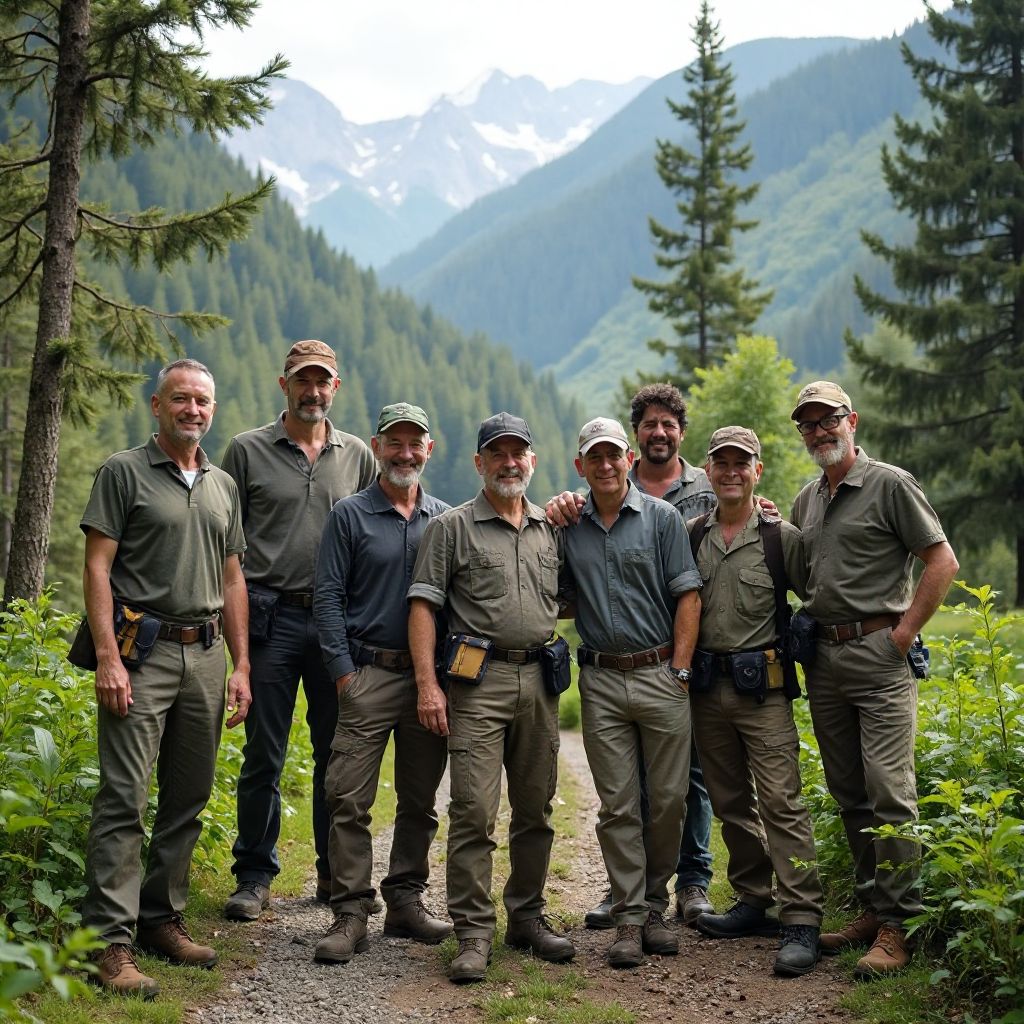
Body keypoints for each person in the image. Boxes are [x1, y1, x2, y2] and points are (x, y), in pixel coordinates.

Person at [80, 359, 250, 998]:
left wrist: (242, 665)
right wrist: (107, 657)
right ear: (158, 405)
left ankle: (161, 918)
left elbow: (232, 577)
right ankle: (109, 943)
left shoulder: (222, 484)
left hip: (205, 654)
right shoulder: (123, 472)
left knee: (188, 795)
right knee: (124, 797)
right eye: (180, 399)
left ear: (213, 408)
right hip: (140, 653)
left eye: (202, 400)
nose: (192, 409)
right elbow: (98, 567)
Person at [789, 381, 958, 978]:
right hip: (825, 661)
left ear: (852, 420)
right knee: (850, 793)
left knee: (889, 791)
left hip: (880, 657)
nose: (819, 431)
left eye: (828, 419)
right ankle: (872, 908)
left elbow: (941, 560)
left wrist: (903, 635)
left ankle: (900, 925)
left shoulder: (891, 484)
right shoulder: (807, 500)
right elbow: (802, 574)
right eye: (808, 424)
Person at [408, 412, 575, 984]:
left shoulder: (551, 529)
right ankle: (473, 933)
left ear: (533, 460)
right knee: (474, 811)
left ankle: (526, 918)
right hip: (476, 684)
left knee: (536, 809)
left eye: (518, 452)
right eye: (497, 453)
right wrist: (427, 685)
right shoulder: (452, 527)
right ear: (479, 462)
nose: (509, 462)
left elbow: (571, 596)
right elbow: (423, 605)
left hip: (540, 683)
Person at [552, 384, 717, 928]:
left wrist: (680, 670)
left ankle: (668, 891)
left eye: (612, 455)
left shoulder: (669, 512)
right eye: (594, 456)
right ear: (580, 465)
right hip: (601, 677)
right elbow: (555, 589)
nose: (605, 465)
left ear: (628, 458)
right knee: (619, 803)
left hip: (663, 671)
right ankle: (631, 909)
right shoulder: (568, 525)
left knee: (672, 797)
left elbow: (688, 592)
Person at [221, 340, 375, 921]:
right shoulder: (246, 450)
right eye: (302, 380)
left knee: (337, 753)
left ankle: (334, 873)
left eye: (322, 381)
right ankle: (254, 875)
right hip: (269, 617)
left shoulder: (357, 455)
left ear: (336, 387)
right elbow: (226, 544)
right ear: (283, 384)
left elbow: (374, 531)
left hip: (337, 622)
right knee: (265, 751)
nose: (313, 391)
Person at [311, 403, 452, 964]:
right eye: (395, 442)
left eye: (415, 443)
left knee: (420, 799)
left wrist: (440, 679)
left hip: (426, 682)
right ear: (376, 447)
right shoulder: (349, 515)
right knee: (348, 797)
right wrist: (344, 673)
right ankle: (350, 911)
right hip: (367, 673)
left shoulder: (445, 519)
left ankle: (406, 901)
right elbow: (327, 597)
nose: (405, 453)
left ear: (429, 450)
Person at [686, 426, 824, 976]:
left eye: (741, 463)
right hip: (706, 690)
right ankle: (752, 899)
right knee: (730, 802)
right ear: (708, 471)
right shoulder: (693, 535)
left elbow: (816, 597)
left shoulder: (779, 537)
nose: (730, 472)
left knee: (781, 801)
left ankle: (802, 918)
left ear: (757, 471)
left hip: (763, 691)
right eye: (721, 463)